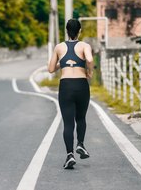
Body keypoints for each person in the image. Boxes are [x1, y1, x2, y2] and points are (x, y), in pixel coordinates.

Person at [48, 19, 94, 169]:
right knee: (80, 118)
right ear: (80, 31)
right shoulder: (84, 46)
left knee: (68, 123)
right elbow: (89, 59)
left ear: (67, 31)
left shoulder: (59, 47)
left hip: (66, 86)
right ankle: (80, 144)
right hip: (81, 85)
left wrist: (65, 62)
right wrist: (90, 71)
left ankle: (69, 155)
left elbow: (50, 69)